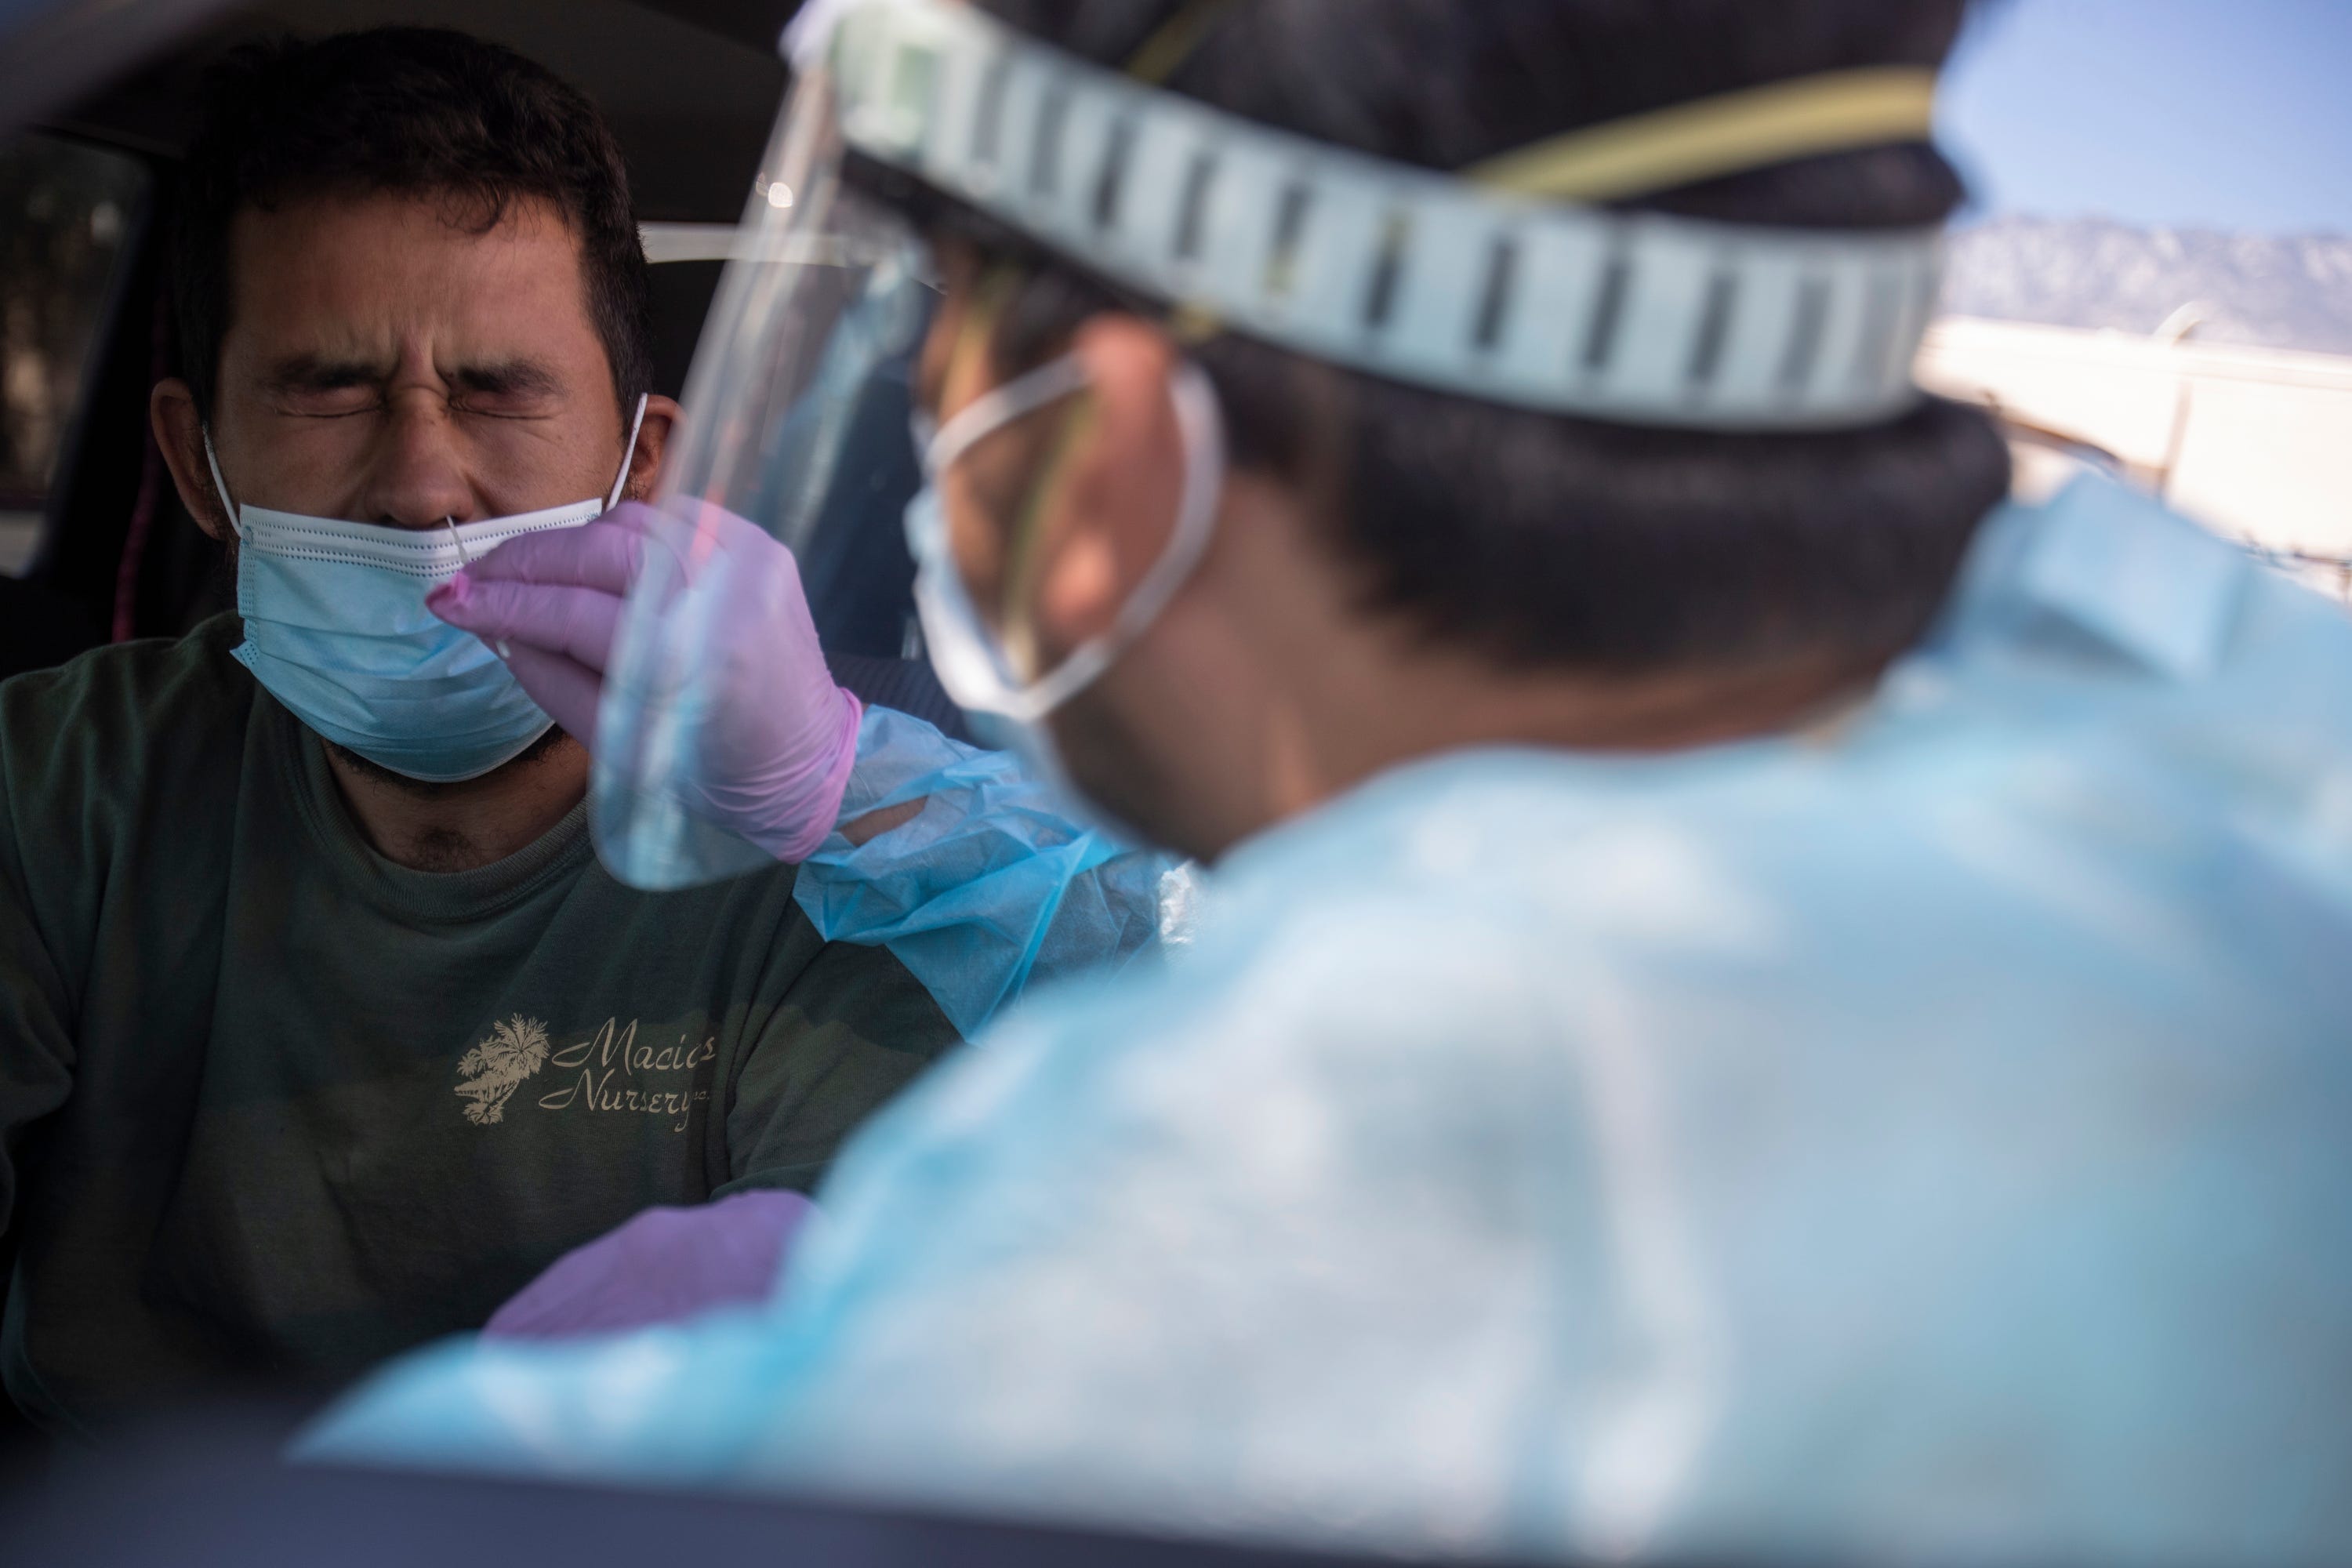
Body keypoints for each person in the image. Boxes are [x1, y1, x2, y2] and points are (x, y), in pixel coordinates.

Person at [310, 1, 2352, 1561]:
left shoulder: (1248, 1252)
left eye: (940, 375)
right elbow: (1268, 911)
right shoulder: (2214, 714)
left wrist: (582, 1402)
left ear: (1094, 478)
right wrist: (861, 784)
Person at [0, 24, 1168, 1439]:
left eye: (498, 389)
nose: (424, 484)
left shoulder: (846, 862)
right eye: (332, 390)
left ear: (647, 466)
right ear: (196, 460)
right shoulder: (63, 784)